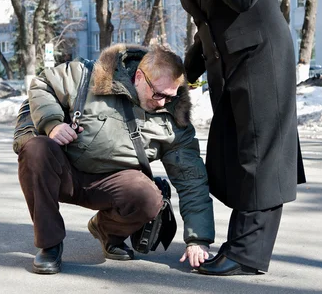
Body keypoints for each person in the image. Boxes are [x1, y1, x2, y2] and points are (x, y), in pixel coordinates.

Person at [148, 0, 306, 276]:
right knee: (230, 153)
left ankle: (246, 253)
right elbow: (207, 27)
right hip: (227, 68)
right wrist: (182, 72)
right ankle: (239, 244)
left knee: (258, 155)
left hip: (262, 61)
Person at [17, 44, 214, 274]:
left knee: (149, 197)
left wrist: (198, 239)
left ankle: (107, 232)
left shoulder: (173, 120)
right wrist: (52, 124)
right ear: (139, 77)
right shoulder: (89, 76)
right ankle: (49, 245)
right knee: (36, 149)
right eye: (158, 94)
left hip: (113, 186)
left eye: (169, 97)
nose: (162, 102)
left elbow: (191, 179)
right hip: (64, 173)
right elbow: (43, 84)